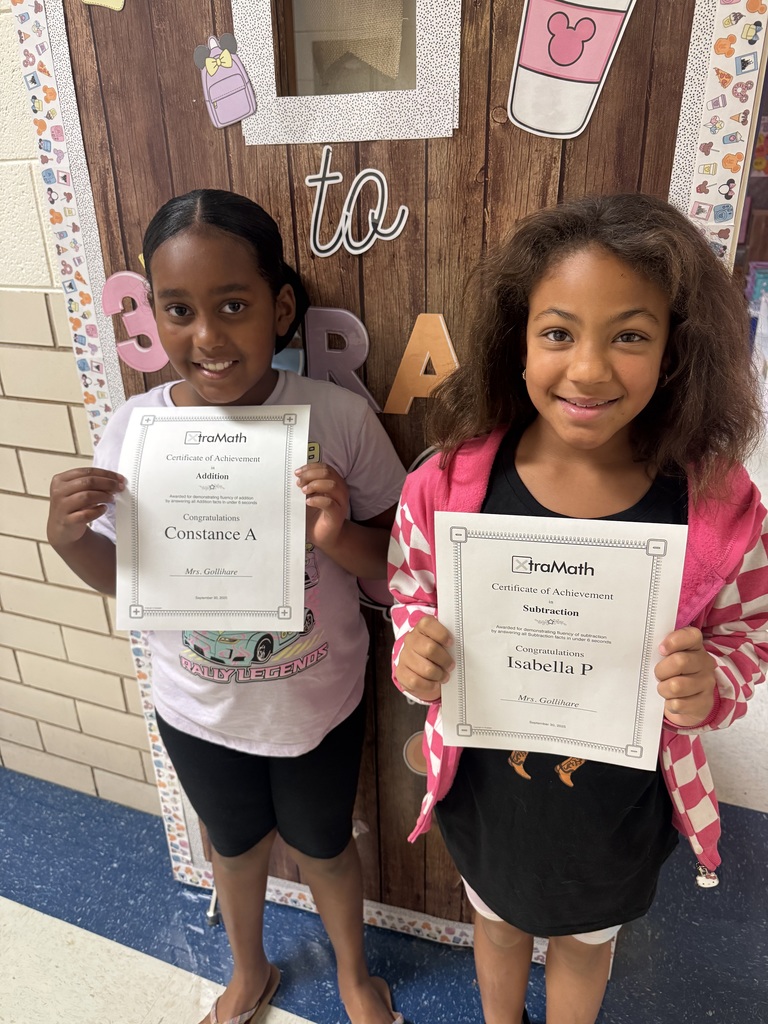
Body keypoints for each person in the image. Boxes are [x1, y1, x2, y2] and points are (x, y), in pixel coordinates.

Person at [387, 193, 768, 1024]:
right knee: (492, 923)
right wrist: (414, 650)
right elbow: (411, 594)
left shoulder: (715, 508)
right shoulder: (448, 487)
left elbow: (747, 636)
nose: (589, 369)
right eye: (558, 332)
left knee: (588, 944)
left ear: (674, 351)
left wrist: (713, 685)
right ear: (515, 342)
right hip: (489, 791)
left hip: (614, 809)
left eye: (629, 334)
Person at [47, 190, 407, 1024]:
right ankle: (251, 969)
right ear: (153, 314)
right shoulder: (134, 429)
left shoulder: (338, 418)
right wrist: (71, 543)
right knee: (233, 850)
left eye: (233, 306)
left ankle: (354, 975)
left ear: (281, 308)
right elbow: (126, 578)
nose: (207, 337)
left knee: (324, 848)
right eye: (179, 310)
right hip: (198, 705)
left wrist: (337, 535)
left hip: (315, 702)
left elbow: (400, 573)